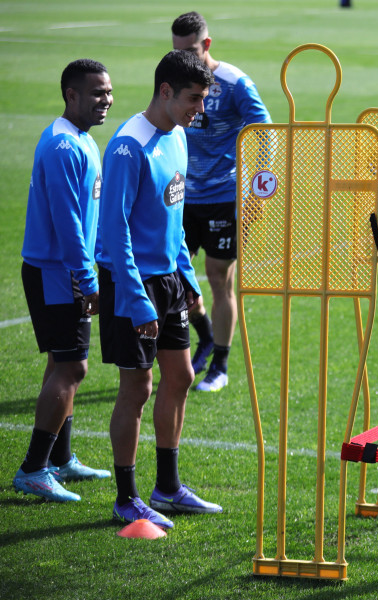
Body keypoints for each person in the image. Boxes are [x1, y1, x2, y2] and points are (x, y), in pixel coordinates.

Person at [96, 50, 222, 530]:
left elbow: (173, 221)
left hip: (169, 279)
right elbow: (114, 233)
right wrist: (134, 298)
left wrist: (188, 281)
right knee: (137, 386)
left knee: (182, 376)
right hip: (134, 283)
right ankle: (126, 498)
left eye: (203, 100)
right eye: (193, 99)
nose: (200, 110)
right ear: (165, 91)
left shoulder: (179, 136)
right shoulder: (129, 147)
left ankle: (166, 489)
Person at [14, 59, 114, 503]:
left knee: (62, 363)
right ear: (71, 95)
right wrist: (85, 277)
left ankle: (60, 457)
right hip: (58, 272)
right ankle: (34, 468)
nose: (106, 100)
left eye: (108, 92)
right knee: (73, 366)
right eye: (96, 93)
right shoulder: (62, 147)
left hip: (68, 269)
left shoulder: (82, 140)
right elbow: (68, 222)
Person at [171, 11, 272, 392]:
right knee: (171, 275)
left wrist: (258, 192)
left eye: (191, 50)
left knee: (218, 278)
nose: (185, 58)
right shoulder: (174, 80)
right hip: (180, 196)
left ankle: (220, 366)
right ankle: (205, 336)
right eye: (178, 51)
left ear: (206, 45)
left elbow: (265, 133)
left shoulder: (232, 83)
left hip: (224, 198)